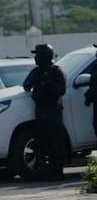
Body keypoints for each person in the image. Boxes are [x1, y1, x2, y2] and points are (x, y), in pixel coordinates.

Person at [22, 43, 67, 178]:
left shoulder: (56, 71)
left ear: (46, 56)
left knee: (56, 141)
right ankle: (48, 168)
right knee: (43, 140)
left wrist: (48, 81)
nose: (36, 58)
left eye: (39, 55)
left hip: (53, 109)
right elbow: (26, 86)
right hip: (40, 110)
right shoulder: (36, 71)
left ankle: (58, 170)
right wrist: (34, 80)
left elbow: (61, 90)